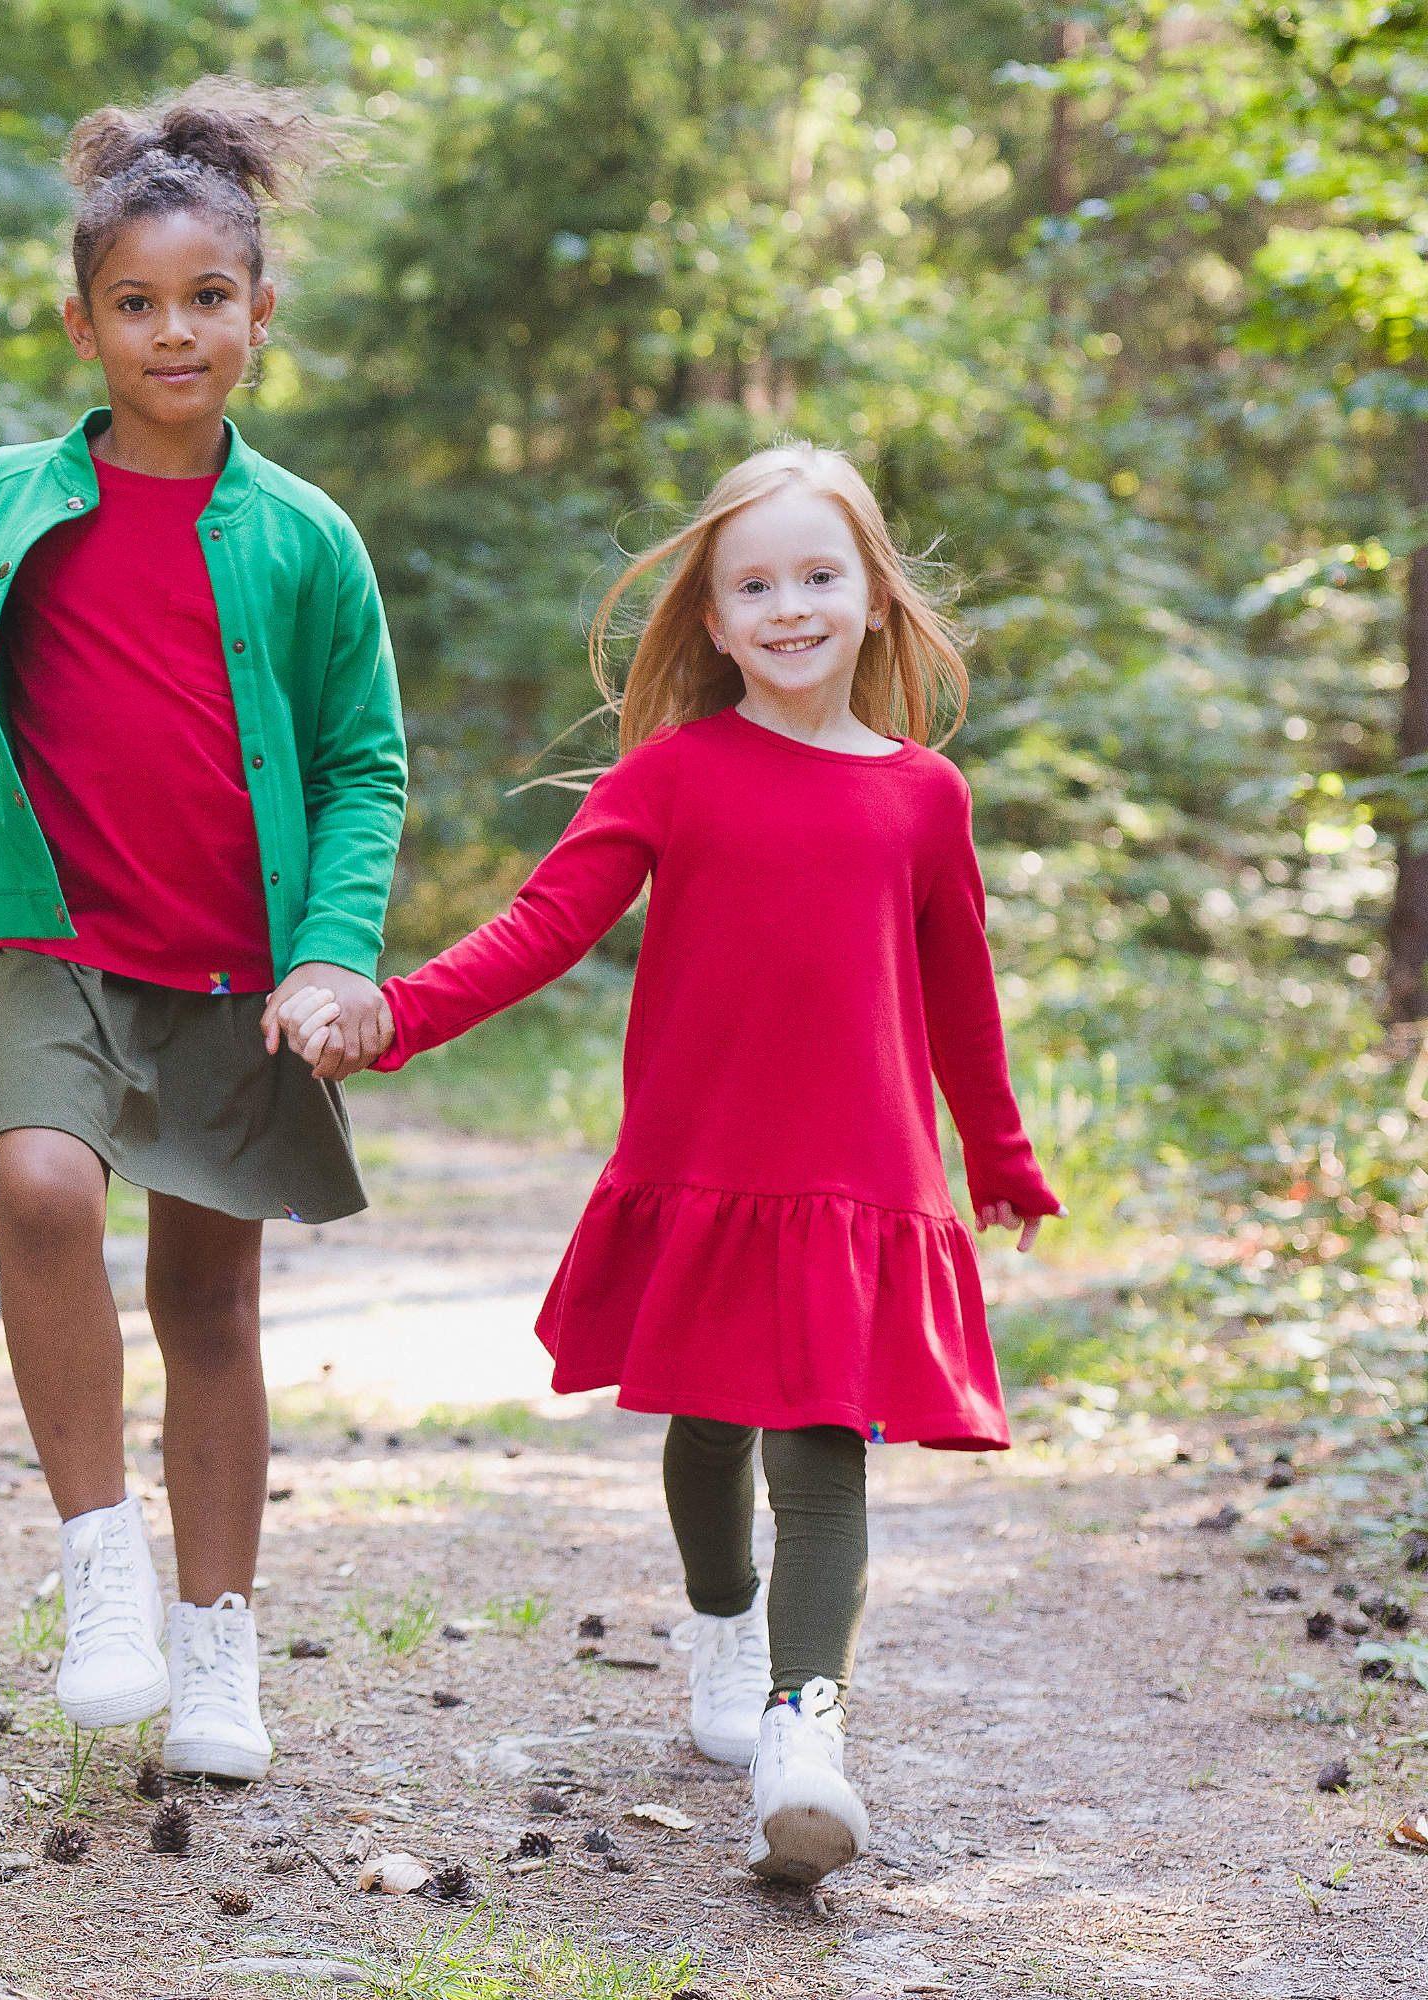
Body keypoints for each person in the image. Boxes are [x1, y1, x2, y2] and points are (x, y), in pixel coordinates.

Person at [275, 441, 1059, 1880]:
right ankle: (722, 1624)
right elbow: (541, 928)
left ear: (875, 597)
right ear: (710, 620)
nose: (790, 606)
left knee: (826, 1448)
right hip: (708, 1157)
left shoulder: (923, 797)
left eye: (820, 575)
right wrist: (391, 1015)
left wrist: (997, 1157)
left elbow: (961, 990)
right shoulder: (675, 771)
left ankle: (802, 1726)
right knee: (709, 1424)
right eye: (754, 584)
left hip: (859, 1176)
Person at [0, 80, 405, 1783]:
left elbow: (366, 763)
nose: (173, 331)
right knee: (40, 1185)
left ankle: (218, 1647)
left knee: (209, 1301)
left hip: (237, 976)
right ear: (81, 325)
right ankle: (101, 1567)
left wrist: (336, 945)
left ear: (262, 313)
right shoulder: (5, 501)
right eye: (134, 304)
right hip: (58, 946)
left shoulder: (305, 538)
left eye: (208, 298)